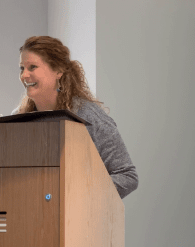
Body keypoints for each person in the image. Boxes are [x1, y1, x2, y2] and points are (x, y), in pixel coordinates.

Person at [12, 36, 138, 199]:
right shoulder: (17, 118)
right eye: (22, 68)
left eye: (33, 67)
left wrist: (79, 195)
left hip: (79, 220)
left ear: (58, 71)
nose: (24, 75)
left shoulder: (88, 116)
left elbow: (127, 176)